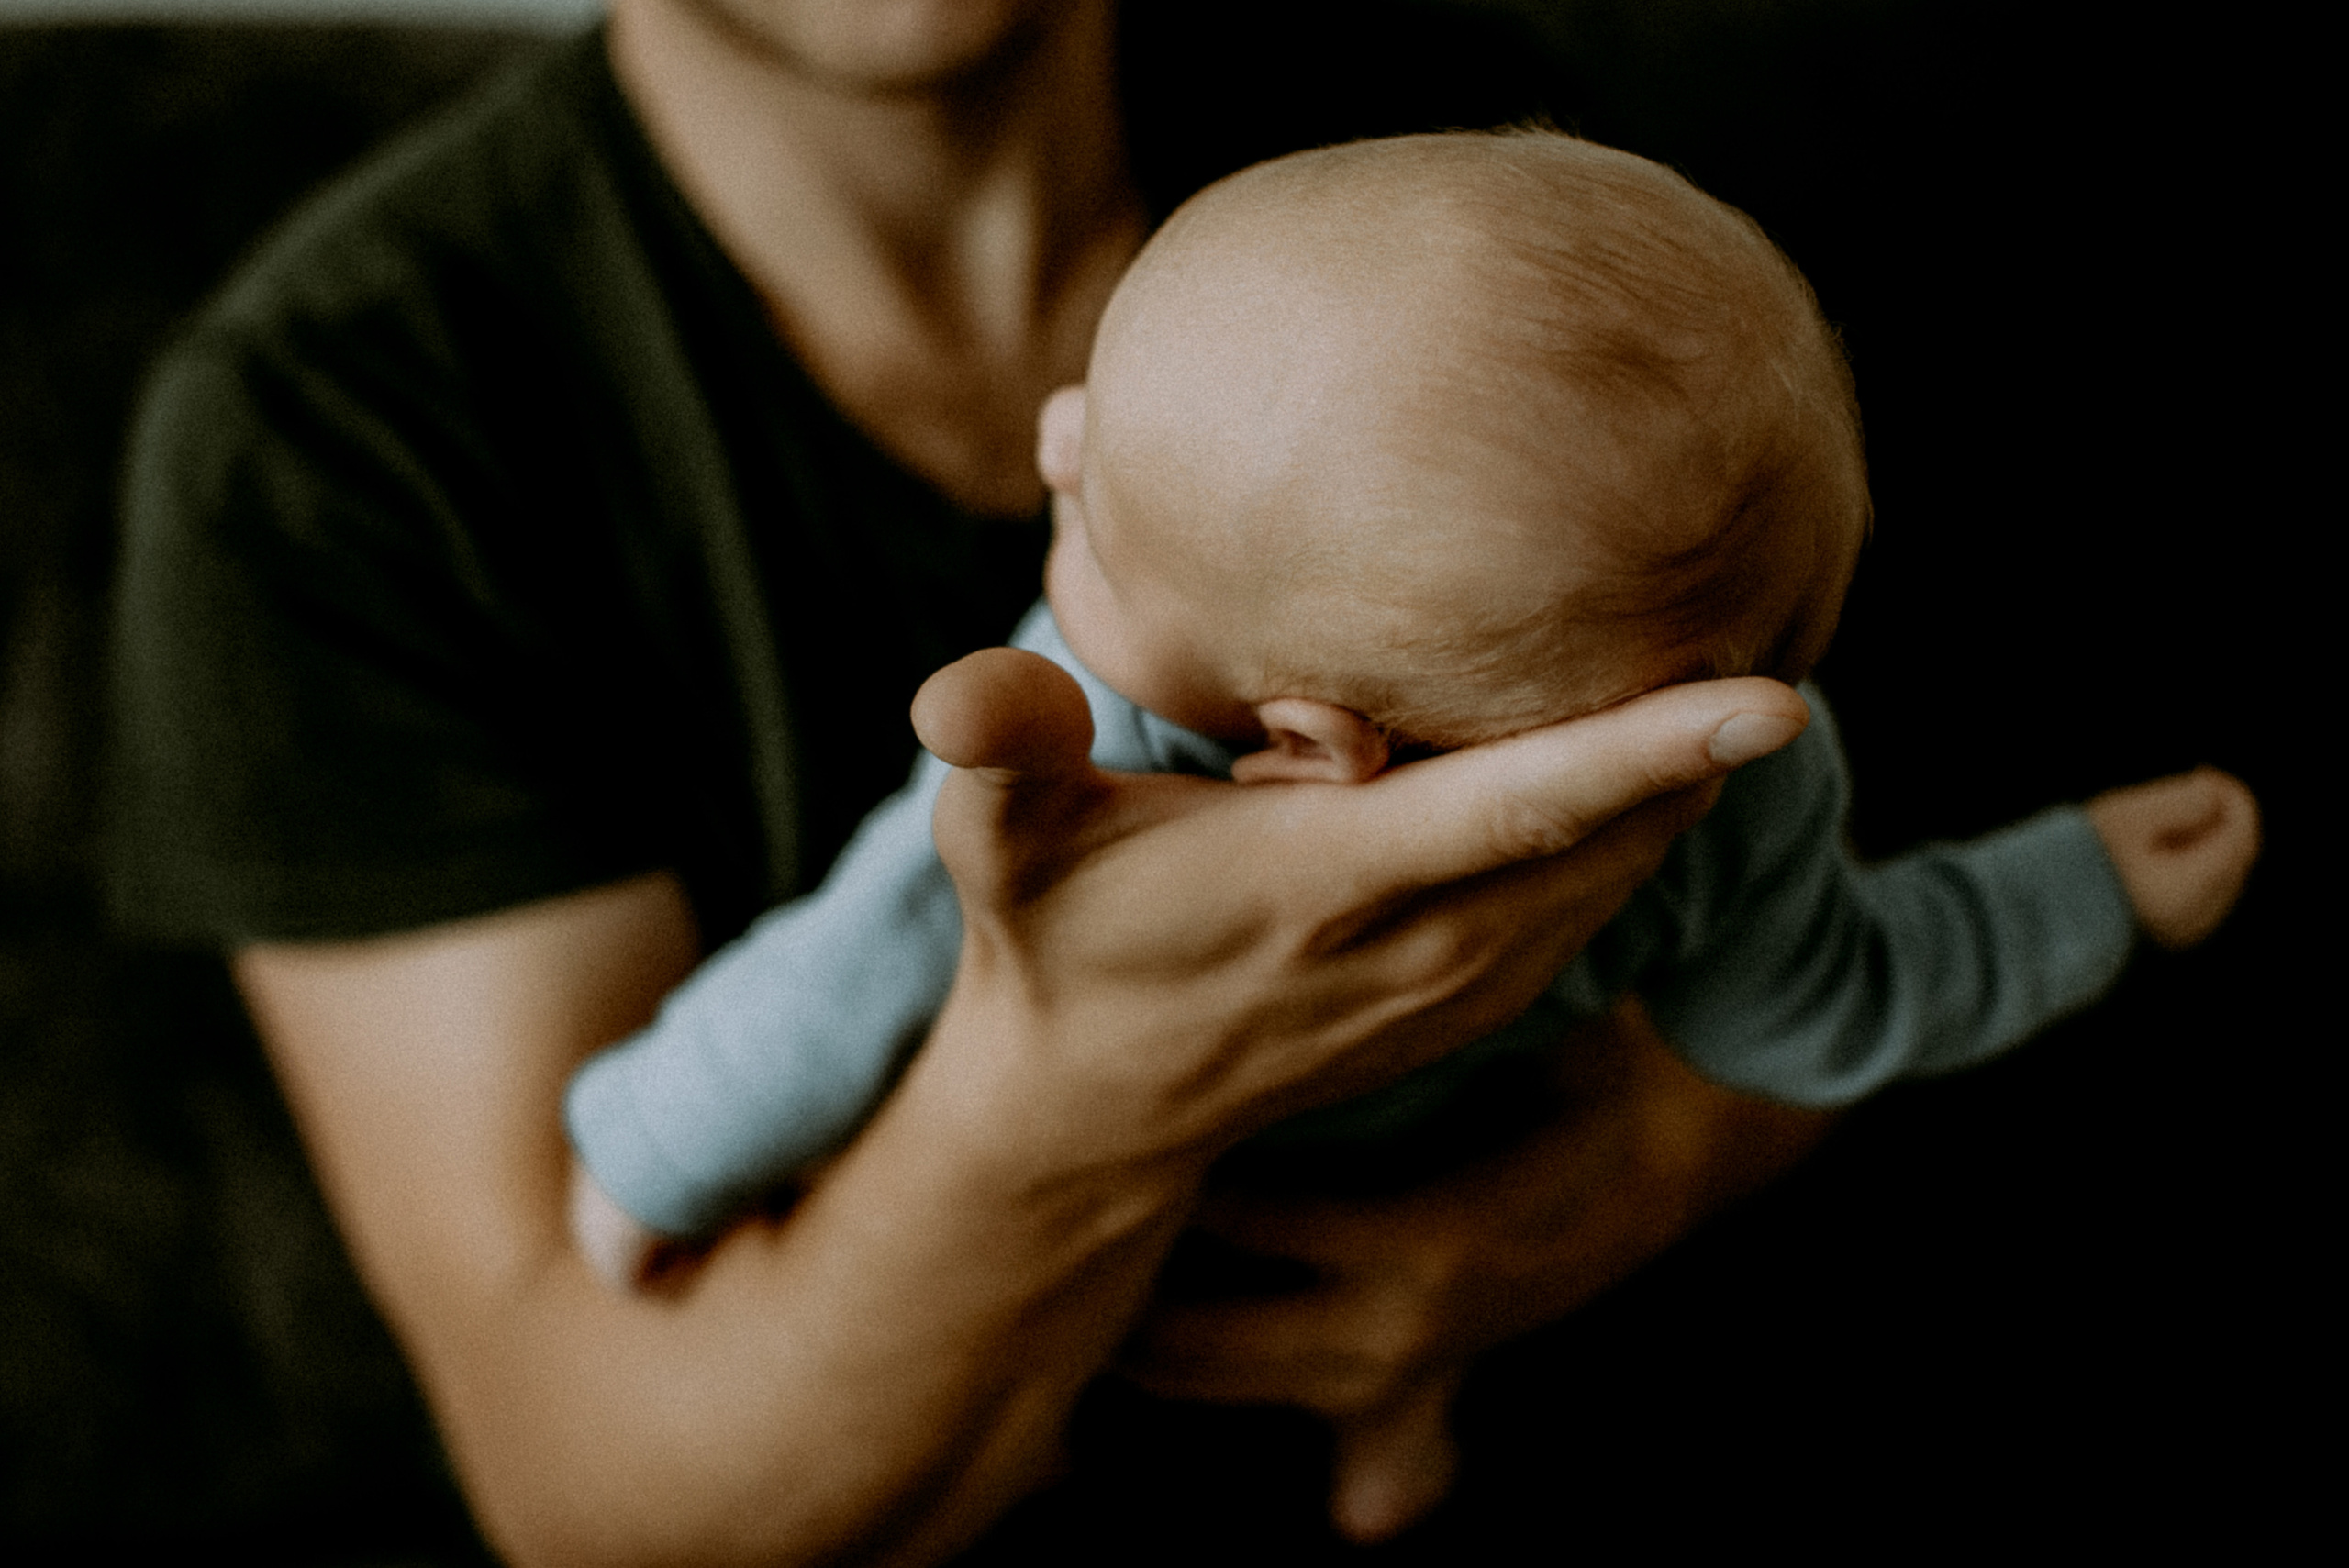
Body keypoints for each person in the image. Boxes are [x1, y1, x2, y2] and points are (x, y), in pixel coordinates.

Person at [98, 0, 2246, 1561]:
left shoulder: (1513, 168)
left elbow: (1824, 925)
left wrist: (1642, 1162)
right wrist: (1067, 1091)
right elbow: (594, 1490)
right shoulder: (334, 438)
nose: (1064, 480)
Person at [559, 129, 2256, 1282]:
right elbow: (1831, 1003)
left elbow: (845, 971)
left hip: (1227, 1230)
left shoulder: (1102, 741)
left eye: (1097, 517)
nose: (1058, 438)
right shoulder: (1748, 779)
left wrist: (647, 1156)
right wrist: (2085, 886)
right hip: (1174, 1184)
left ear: (1309, 745)